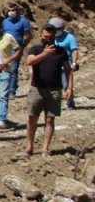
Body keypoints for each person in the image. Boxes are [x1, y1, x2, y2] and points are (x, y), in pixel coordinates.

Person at [24, 23, 74, 156]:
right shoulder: (35, 49)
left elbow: (68, 71)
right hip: (37, 88)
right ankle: (29, 146)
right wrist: (45, 54)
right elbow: (30, 61)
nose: (47, 39)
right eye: (45, 36)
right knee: (31, 117)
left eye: (50, 37)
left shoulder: (60, 52)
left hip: (54, 89)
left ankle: (45, 148)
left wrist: (69, 87)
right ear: (41, 35)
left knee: (50, 119)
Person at [1, 4, 33, 101]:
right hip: (5, 48)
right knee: (3, 68)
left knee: (13, 69)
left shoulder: (23, 21)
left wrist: (22, 46)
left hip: (16, 48)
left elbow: (28, 35)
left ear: (17, 11)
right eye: (10, 10)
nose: (11, 12)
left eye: (13, 10)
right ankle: (3, 90)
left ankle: (11, 91)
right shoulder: (5, 22)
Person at [50, 17, 80, 110]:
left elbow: (74, 50)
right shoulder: (50, 37)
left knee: (66, 84)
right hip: (53, 65)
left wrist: (74, 63)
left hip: (65, 66)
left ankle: (70, 102)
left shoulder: (69, 38)